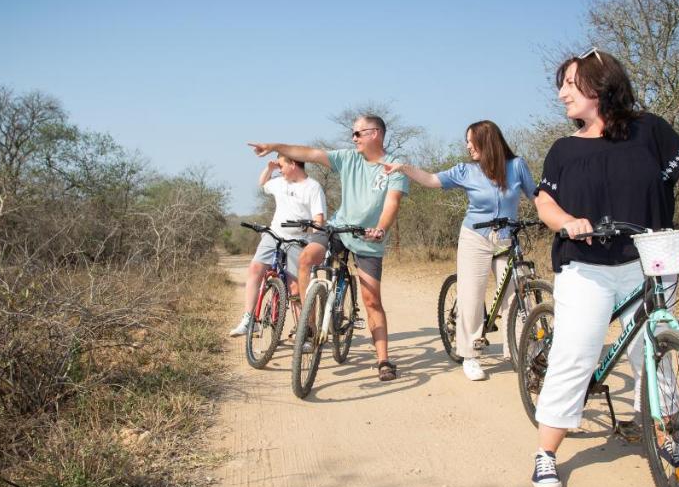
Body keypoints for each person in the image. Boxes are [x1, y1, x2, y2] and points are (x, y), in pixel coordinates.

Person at [529, 48, 679, 487]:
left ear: (599, 83)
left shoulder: (650, 131)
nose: (561, 95)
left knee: (654, 351)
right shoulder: (564, 149)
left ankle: (664, 437)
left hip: (650, 259)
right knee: (577, 352)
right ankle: (546, 452)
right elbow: (544, 202)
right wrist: (567, 222)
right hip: (586, 264)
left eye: (570, 84)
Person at [247, 115, 409, 381]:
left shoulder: (394, 168)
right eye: (353, 134)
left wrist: (380, 228)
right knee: (307, 259)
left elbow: (392, 204)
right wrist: (275, 145)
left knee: (372, 300)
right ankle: (307, 328)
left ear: (375, 134)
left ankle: (384, 360)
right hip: (338, 227)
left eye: (358, 133)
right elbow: (309, 153)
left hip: (368, 238)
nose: (353, 138)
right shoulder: (348, 158)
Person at [383, 120, 536, 381]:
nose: (467, 146)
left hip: (506, 238)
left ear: (486, 141)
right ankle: (470, 355)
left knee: (518, 293)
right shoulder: (466, 171)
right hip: (475, 237)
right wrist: (405, 168)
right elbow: (432, 180)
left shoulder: (517, 166)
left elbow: (537, 196)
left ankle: (523, 350)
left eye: (470, 140)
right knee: (471, 297)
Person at [229, 155, 327, 337]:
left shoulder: (313, 187)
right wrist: (270, 168)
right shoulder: (280, 182)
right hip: (274, 234)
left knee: (296, 288)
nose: (279, 169)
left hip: (297, 240)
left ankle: (305, 330)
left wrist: (307, 230)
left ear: (293, 163)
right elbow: (262, 183)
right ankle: (249, 319)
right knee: (255, 269)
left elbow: (319, 220)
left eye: (281, 165)